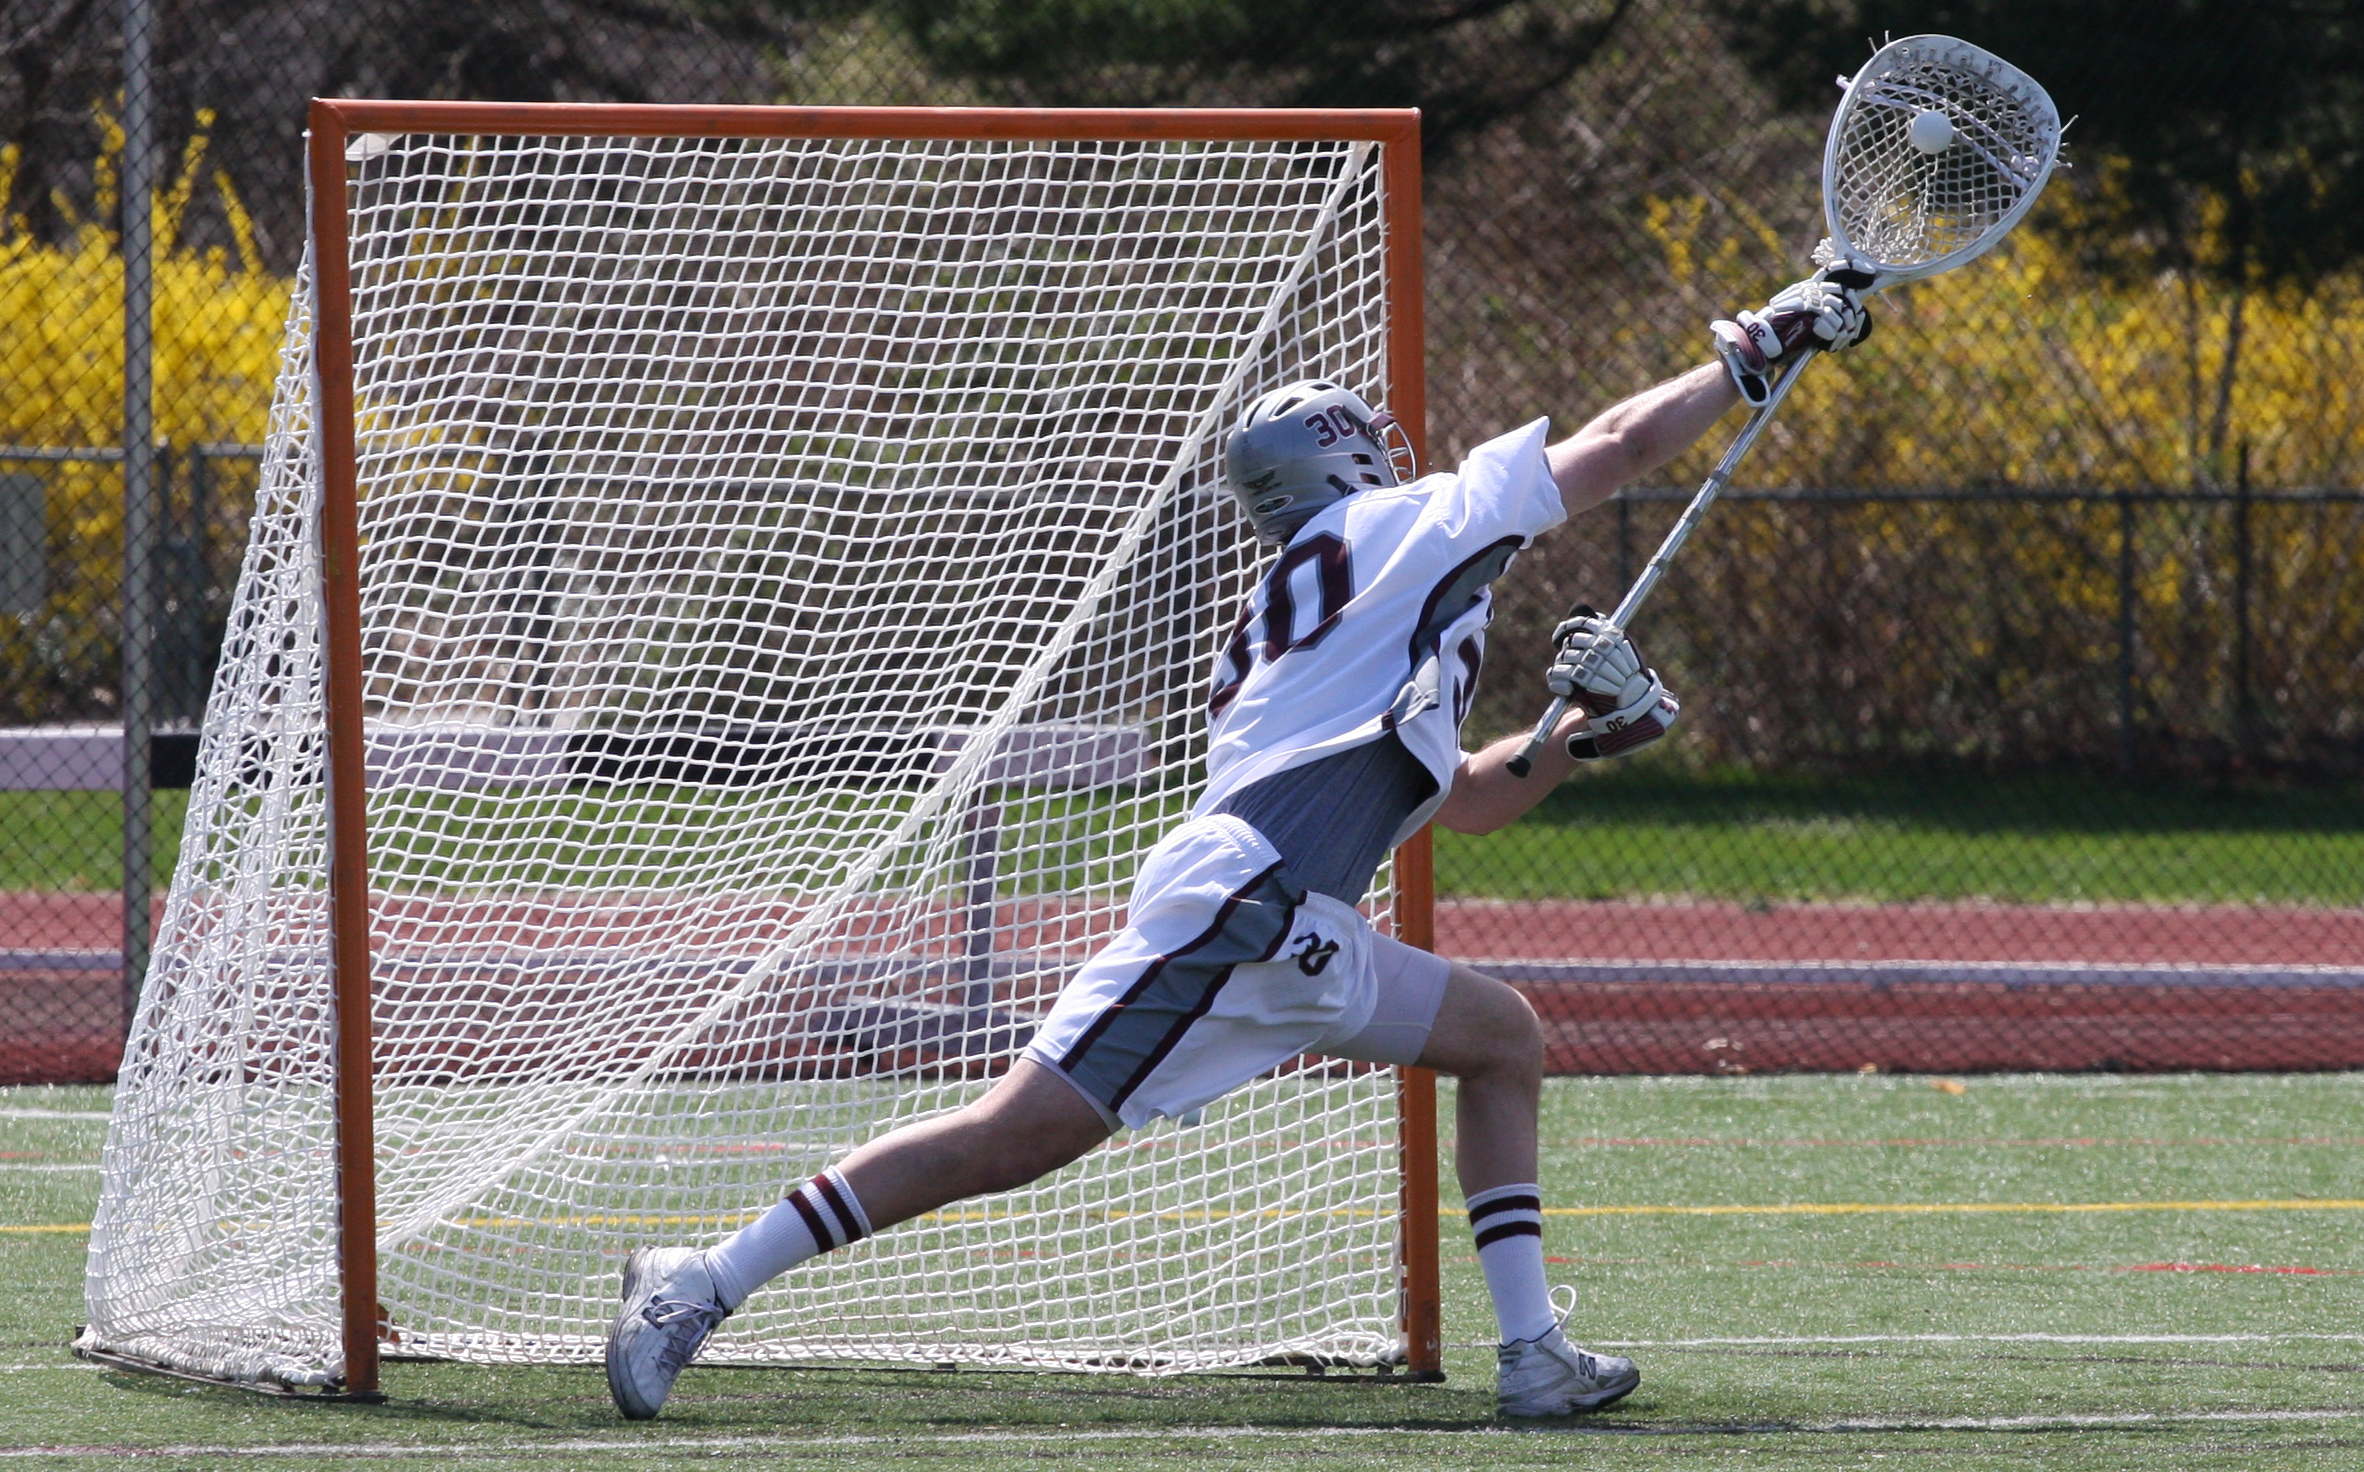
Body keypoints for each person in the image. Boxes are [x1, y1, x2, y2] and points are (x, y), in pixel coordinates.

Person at [603, 268, 1874, 1421]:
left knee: (1501, 1038)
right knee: (1016, 1134)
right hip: (1247, 899)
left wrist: (1592, 734)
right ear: (1344, 457)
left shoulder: (1355, 604)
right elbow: (1623, 443)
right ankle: (700, 1277)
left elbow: (1466, 797)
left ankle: (1534, 1349)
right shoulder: (1409, 524)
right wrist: (1754, 348)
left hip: (1303, 923)